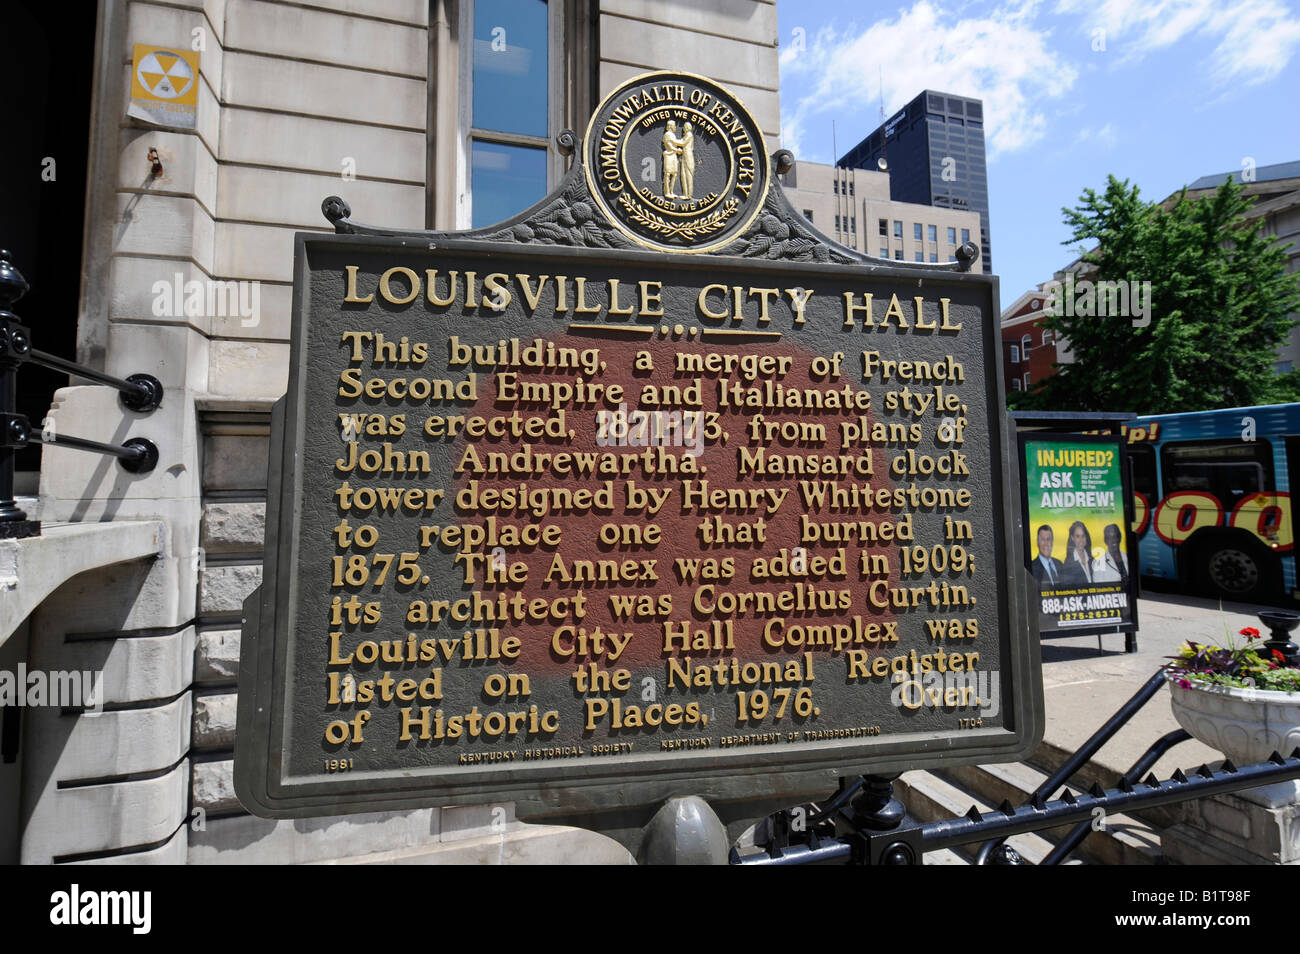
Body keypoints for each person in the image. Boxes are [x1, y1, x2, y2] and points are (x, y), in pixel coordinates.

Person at [1060, 520, 1095, 586]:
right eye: (1078, 536)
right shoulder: (1068, 564)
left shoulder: (1093, 561)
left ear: (1086, 537)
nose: (1081, 540)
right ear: (1072, 538)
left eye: (1083, 536)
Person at [1031, 524, 1065, 589]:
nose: (1046, 543)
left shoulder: (1059, 564)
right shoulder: (1032, 567)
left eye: (1048, 539)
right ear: (1037, 542)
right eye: (1042, 539)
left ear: (1052, 542)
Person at [662, 121, 682, 198]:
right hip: (668, 155)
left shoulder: (672, 135)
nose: (675, 127)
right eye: (674, 126)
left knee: (674, 174)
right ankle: (667, 192)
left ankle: (671, 191)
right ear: (670, 126)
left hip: (674, 156)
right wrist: (677, 150)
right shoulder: (667, 135)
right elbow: (669, 145)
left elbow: (676, 143)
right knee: (667, 174)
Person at [679, 122, 696, 199]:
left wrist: (670, 140)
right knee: (683, 175)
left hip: (688, 156)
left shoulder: (689, 135)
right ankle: (685, 194)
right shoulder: (686, 135)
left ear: (688, 128)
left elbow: (682, 143)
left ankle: (689, 195)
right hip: (684, 156)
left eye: (685, 127)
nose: (683, 129)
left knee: (688, 175)